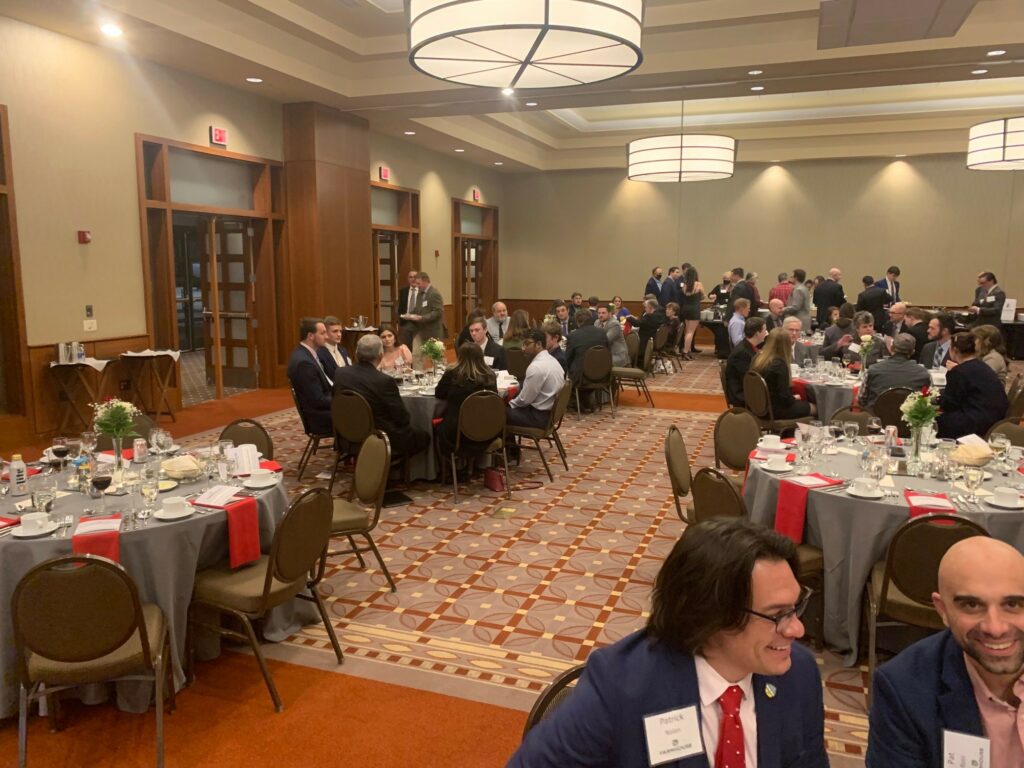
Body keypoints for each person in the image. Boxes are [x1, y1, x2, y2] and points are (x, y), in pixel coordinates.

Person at [509, 518, 828, 768]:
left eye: (795, 608)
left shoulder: (798, 675)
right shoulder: (620, 688)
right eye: (777, 615)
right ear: (712, 614)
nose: (797, 629)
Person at [867, 537, 1024, 768]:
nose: (995, 628)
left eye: (1013, 605)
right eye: (972, 605)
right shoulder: (903, 689)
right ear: (942, 610)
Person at [334, 334, 430, 459]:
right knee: (424, 436)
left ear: (357, 354)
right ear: (380, 356)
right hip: (380, 437)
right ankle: (394, 471)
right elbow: (402, 418)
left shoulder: (340, 373)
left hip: (346, 433)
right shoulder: (384, 381)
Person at [936, 332, 1008, 439]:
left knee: (932, 419)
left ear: (954, 350)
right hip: (996, 416)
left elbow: (950, 403)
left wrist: (934, 400)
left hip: (976, 420)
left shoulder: (958, 372)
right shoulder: (982, 365)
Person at [434, 342, 498, 457]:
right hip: (488, 430)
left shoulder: (452, 374)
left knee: (433, 427)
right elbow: (494, 400)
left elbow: (439, 394)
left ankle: (443, 469)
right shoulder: (490, 375)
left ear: (460, 356)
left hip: (458, 432)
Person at [751, 328, 815, 418]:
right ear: (786, 345)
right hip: (775, 410)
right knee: (815, 407)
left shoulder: (757, 358)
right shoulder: (779, 364)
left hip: (757, 408)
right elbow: (784, 397)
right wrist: (794, 398)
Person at [507, 329, 565, 429]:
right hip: (551, 414)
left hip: (539, 418)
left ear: (538, 344)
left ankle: (505, 444)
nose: (522, 348)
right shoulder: (552, 360)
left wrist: (509, 404)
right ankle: (510, 444)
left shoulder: (536, 367)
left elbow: (524, 400)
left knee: (498, 413)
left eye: (526, 344)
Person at [286, 317, 333, 435]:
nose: (327, 337)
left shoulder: (306, 354)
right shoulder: (304, 363)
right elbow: (318, 400)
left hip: (322, 409)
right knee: (360, 413)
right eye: (323, 333)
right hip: (319, 417)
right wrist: (343, 401)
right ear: (310, 336)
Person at [857, 334, 930, 408]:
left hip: (876, 416)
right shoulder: (924, 373)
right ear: (912, 352)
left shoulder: (873, 370)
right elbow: (929, 400)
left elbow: (861, 399)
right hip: (910, 417)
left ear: (891, 348)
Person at [566, 310, 609, 410]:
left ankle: (575, 401)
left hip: (582, 378)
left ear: (577, 321)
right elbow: (608, 352)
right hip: (603, 375)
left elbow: (567, 359)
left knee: (571, 368)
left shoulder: (573, 336)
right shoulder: (602, 333)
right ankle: (585, 401)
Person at [725, 317, 767, 407]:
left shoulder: (748, 347)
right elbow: (749, 379)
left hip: (747, 391)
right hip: (742, 396)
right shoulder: (742, 353)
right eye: (764, 330)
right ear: (757, 333)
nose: (766, 333)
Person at [404, 271, 445, 352]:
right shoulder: (420, 293)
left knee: (435, 357)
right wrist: (408, 315)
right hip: (420, 330)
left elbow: (438, 312)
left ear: (425, 281)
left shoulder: (434, 294)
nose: (417, 286)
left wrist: (422, 318)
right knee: (416, 355)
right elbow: (417, 308)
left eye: (418, 283)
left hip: (432, 331)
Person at [678, 266, 703, 360]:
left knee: (687, 331)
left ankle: (687, 350)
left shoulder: (685, 285)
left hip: (685, 308)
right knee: (690, 332)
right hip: (694, 308)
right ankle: (685, 352)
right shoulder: (699, 284)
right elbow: (703, 296)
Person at [317, 315, 352, 379]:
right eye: (335, 331)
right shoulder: (319, 353)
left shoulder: (343, 351)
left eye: (340, 331)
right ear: (326, 333)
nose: (339, 334)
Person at [397, 270, 421, 348]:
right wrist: (400, 317)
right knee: (405, 347)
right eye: (411, 277)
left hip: (419, 324)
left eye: (415, 277)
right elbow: (400, 307)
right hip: (406, 323)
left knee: (418, 348)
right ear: (408, 279)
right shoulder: (403, 291)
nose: (413, 279)